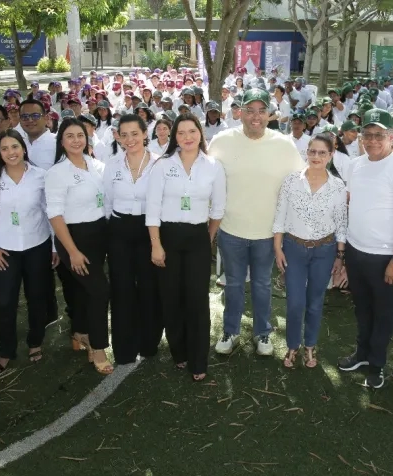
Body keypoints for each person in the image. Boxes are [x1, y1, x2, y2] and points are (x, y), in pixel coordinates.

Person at [208, 88, 303, 356]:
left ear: (269, 114)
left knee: (262, 285)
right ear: (240, 112)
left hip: (267, 233)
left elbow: (298, 184)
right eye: (250, 110)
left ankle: (263, 334)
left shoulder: (284, 145)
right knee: (234, 284)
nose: (255, 117)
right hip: (231, 230)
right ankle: (231, 331)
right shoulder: (222, 141)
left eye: (261, 111)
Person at [336, 109, 393, 389]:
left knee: (382, 312)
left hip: (384, 255)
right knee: (362, 308)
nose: (371, 141)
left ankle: (377, 363)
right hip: (357, 251)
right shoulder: (356, 165)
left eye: (378, 135)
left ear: (392, 136)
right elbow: (349, 205)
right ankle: (362, 353)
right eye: (367, 135)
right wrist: (344, 251)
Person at [146, 113, 226, 381]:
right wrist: (156, 245)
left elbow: (218, 208)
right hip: (167, 237)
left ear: (200, 134)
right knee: (171, 298)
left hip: (197, 238)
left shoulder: (213, 166)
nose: (187, 137)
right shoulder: (162, 165)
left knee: (197, 300)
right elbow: (152, 208)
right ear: (173, 136)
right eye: (181, 133)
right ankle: (179, 352)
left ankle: (198, 360)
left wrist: (207, 238)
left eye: (192, 131)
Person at [0, 130, 56, 374]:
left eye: (15, 146)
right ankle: (6, 350)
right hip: (5, 252)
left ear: (23, 148)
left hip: (37, 247)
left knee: (37, 298)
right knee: (5, 302)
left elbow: (50, 213)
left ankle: (35, 342)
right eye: (5, 148)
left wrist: (52, 246)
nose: (11, 152)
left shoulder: (40, 176)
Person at [273, 135, 347, 369]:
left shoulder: (338, 186)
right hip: (293, 248)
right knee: (295, 302)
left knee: (315, 302)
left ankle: (310, 346)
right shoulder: (291, 181)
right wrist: (278, 248)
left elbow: (341, 223)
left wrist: (339, 256)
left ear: (331, 155)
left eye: (322, 153)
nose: (316, 157)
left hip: (324, 251)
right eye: (312, 152)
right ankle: (293, 345)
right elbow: (280, 217)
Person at [45, 118, 112, 375]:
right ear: (61, 141)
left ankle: (80, 332)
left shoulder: (97, 165)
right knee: (100, 291)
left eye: (80, 135)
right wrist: (71, 251)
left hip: (99, 234)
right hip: (74, 238)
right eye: (70, 136)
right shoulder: (56, 173)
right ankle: (98, 346)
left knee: (86, 291)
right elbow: (55, 215)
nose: (76, 140)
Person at [104, 114, 163, 365]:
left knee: (150, 288)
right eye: (124, 135)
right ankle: (124, 350)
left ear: (144, 134)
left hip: (150, 230)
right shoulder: (112, 164)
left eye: (135, 134)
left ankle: (149, 344)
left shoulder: (160, 163)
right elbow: (107, 202)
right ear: (118, 137)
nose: (130, 140)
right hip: (119, 230)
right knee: (122, 289)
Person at [19, 100, 57, 170]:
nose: (30, 120)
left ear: (46, 118)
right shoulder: (18, 145)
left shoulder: (58, 143)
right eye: (25, 116)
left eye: (35, 116)